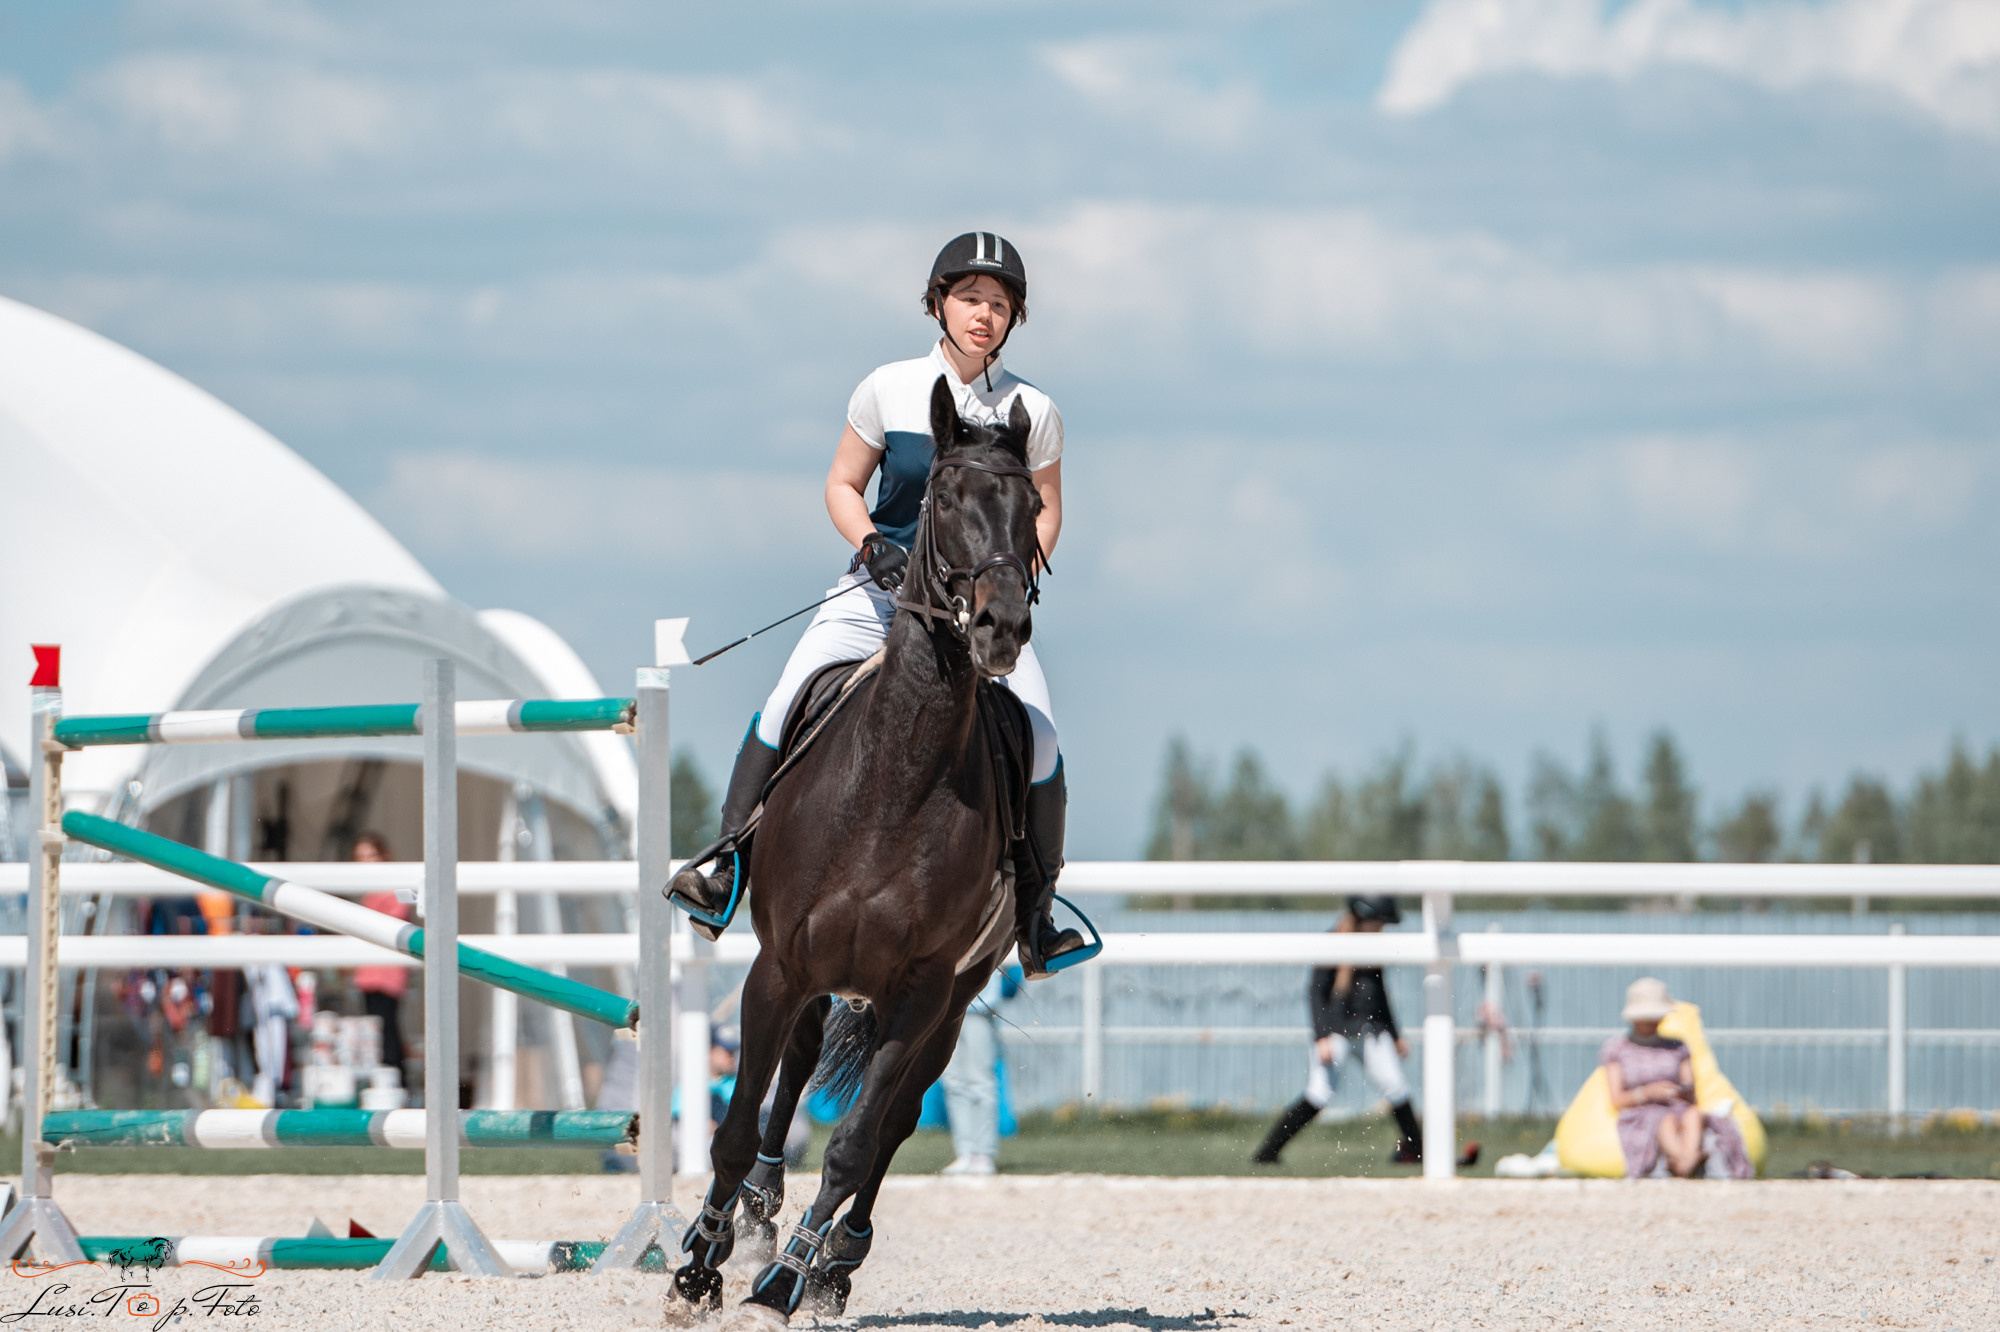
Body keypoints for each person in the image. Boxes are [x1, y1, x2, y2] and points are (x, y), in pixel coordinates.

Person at [668, 232, 1083, 978]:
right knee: (785, 698)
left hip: (976, 612)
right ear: (938, 304)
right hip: (878, 595)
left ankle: (1037, 911)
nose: (983, 316)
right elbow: (840, 485)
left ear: (1013, 318)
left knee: (1043, 739)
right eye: (968, 300)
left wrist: (1009, 576)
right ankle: (726, 864)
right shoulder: (886, 389)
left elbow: (1047, 510)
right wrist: (870, 545)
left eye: (998, 304)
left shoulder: (1035, 409)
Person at [1253, 896, 1476, 1167]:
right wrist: (1321, 1036)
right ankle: (1268, 1152)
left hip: (1370, 1029)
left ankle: (1418, 1151)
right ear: (1363, 919)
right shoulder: (1334, 944)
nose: (1382, 930)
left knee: (1396, 1087)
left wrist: (1394, 1035)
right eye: (1379, 924)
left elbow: (1379, 994)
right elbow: (1315, 992)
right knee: (1319, 1093)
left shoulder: (1374, 949)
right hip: (1336, 1030)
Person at [1600, 976, 1747, 1179]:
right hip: (1642, 1112)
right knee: (1664, 1119)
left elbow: (1691, 1089)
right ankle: (1687, 1161)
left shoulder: (1677, 1045)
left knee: (1694, 1114)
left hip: (1677, 1106)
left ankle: (1682, 1163)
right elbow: (1616, 1098)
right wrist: (1647, 1093)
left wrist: (1680, 1091)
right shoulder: (1616, 1048)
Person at [939, 965, 1022, 1176]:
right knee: (953, 1081)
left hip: (979, 1008)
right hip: (944, 1009)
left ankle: (983, 1154)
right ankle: (966, 1152)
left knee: (981, 1080)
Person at [347, 832, 410, 1083]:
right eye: (360, 857)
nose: (366, 862)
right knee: (377, 1030)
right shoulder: (370, 892)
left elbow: (393, 919)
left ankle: (396, 1081)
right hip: (369, 972)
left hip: (387, 972)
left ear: (383, 856)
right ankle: (386, 1081)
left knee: (388, 1029)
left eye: (370, 855)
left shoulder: (389, 887)